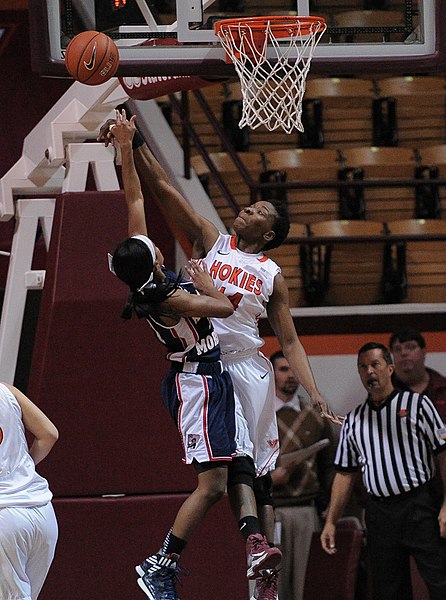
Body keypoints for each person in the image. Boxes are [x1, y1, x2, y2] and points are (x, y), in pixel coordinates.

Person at [99, 112, 339, 600]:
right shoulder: (213, 243)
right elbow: (163, 192)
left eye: (256, 212)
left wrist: (314, 392)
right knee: (230, 472)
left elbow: (289, 339)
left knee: (257, 473)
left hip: (248, 368)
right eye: (249, 207)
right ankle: (221, 554)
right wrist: (138, 142)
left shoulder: (271, 273)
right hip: (210, 366)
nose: (247, 211)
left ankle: (262, 572)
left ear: (269, 234)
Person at [320, 342, 446, 600]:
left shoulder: (417, 404)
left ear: (390, 369)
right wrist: (331, 521)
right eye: (362, 367)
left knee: (440, 580)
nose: (369, 372)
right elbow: (344, 474)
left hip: (418, 505)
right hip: (379, 512)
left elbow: (443, 454)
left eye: (375, 364)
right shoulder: (353, 421)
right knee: (387, 589)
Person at [270, 350, 336, 600]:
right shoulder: (259, 416)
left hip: (307, 510)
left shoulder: (316, 414)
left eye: (294, 370)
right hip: (271, 509)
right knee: (273, 585)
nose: (291, 376)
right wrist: (268, 480)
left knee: (306, 586)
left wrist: (331, 502)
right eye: (284, 370)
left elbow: (330, 464)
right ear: (272, 374)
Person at [0, 382, 59, 600]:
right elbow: (49, 434)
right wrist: (23, 470)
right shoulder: (6, 390)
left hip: (5, 517)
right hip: (43, 512)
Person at [389, 327, 446, 421]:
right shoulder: (384, 392)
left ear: (423, 351)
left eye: (410, 347)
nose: (403, 353)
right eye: (398, 349)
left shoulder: (442, 388)